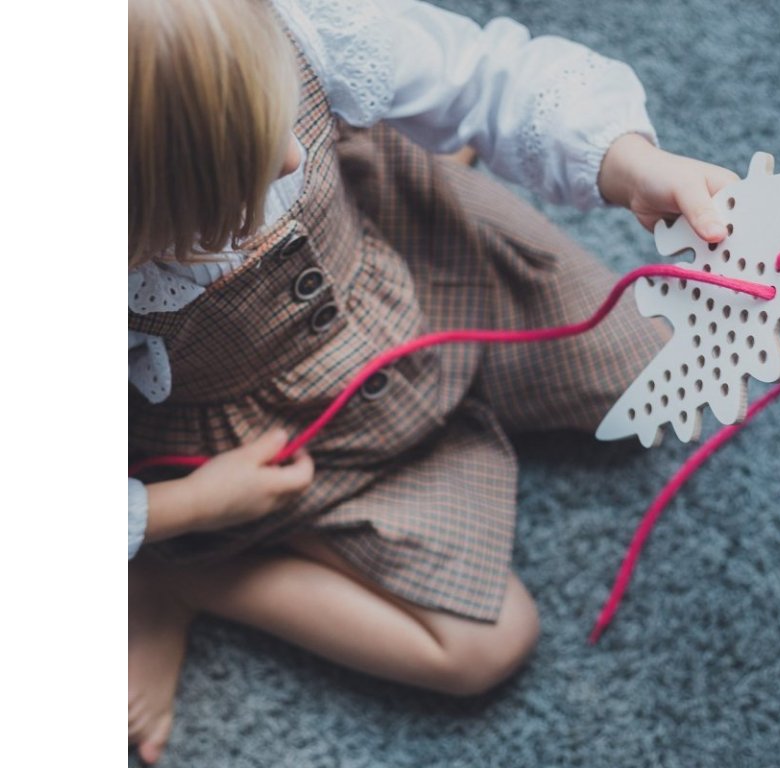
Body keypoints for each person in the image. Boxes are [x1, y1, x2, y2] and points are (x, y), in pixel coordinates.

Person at [128, 0, 739, 762]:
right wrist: (184, 511)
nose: (290, 158)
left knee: (655, 364)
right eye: (232, 170)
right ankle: (186, 581)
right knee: (485, 646)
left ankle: (416, 146)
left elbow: (485, 77)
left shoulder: (299, 22)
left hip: (414, 251)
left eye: (279, 107)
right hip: (283, 443)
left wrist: (629, 164)